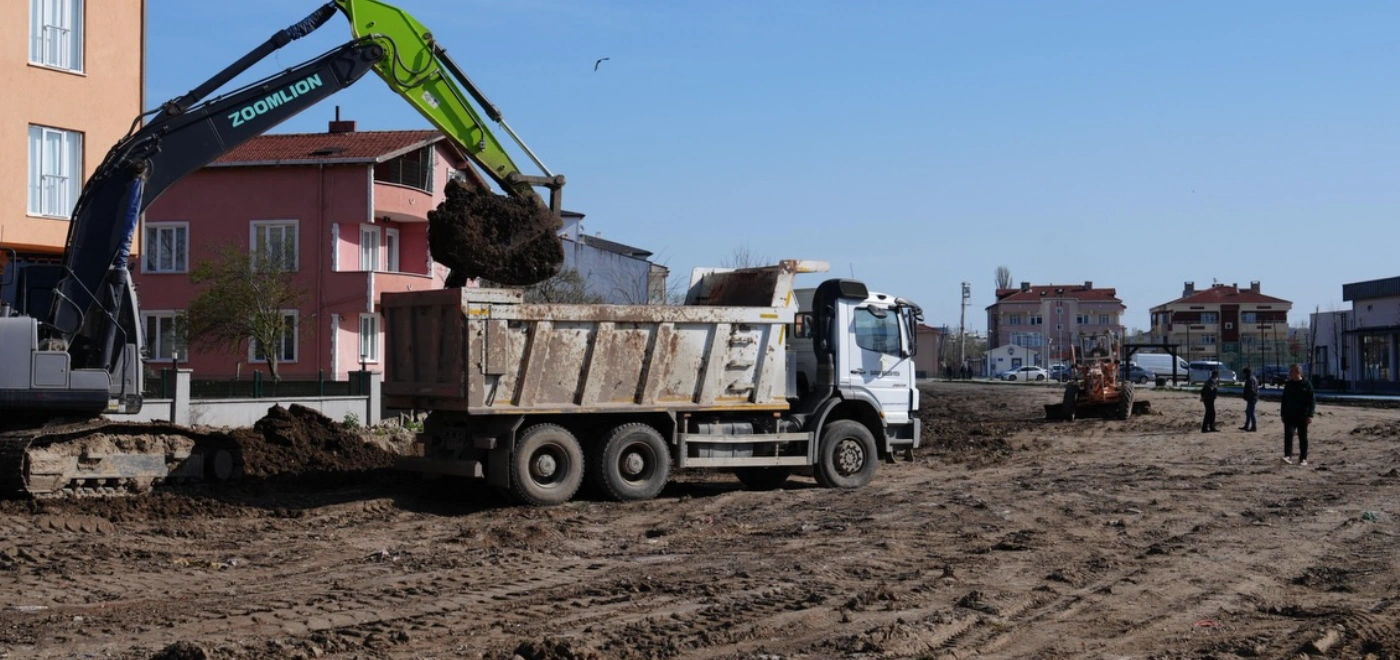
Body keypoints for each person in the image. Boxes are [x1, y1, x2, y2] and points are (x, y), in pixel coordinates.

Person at [1280, 364, 1316, 465]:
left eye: (1292, 371)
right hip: (1289, 415)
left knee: (1302, 437)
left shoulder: (1307, 384)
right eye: (1290, 371)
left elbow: (1312, 400)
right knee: (1288, 435)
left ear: (1298, 372)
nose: (1290, 373)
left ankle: (1303, 458)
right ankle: (1288, 456)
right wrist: (1282, 414)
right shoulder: (1288, 385)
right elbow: (1284, 400)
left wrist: (1310, 415)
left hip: (1302, 415)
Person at [1238, 367, 1259, 432]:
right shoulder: (1253, 378)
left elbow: (1251, 389)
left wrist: (1247, 395)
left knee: (1251, 412)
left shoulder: (1250, 379)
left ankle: (1254, 427)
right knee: (1248, 412)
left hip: (1252, 398)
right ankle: (1247, 426)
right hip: (1253, 397)